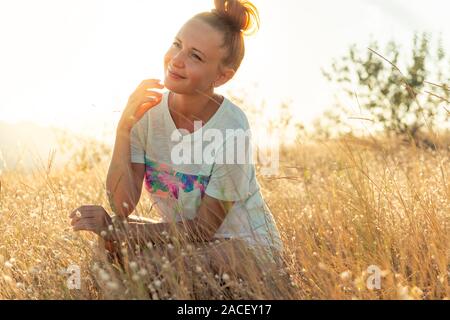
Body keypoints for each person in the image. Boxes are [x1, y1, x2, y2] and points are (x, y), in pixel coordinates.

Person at [69, 0, 284, 279]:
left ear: (222, 75)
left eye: (195, 56)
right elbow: (122, 205)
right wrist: (123, 130)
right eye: (176, 44)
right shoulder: (147, 114)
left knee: (158, 263)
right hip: (190, 244)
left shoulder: (232, 128)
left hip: (245, 249)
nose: (177, 60)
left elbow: (205, 229)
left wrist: (119, 229)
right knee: (110, 247)